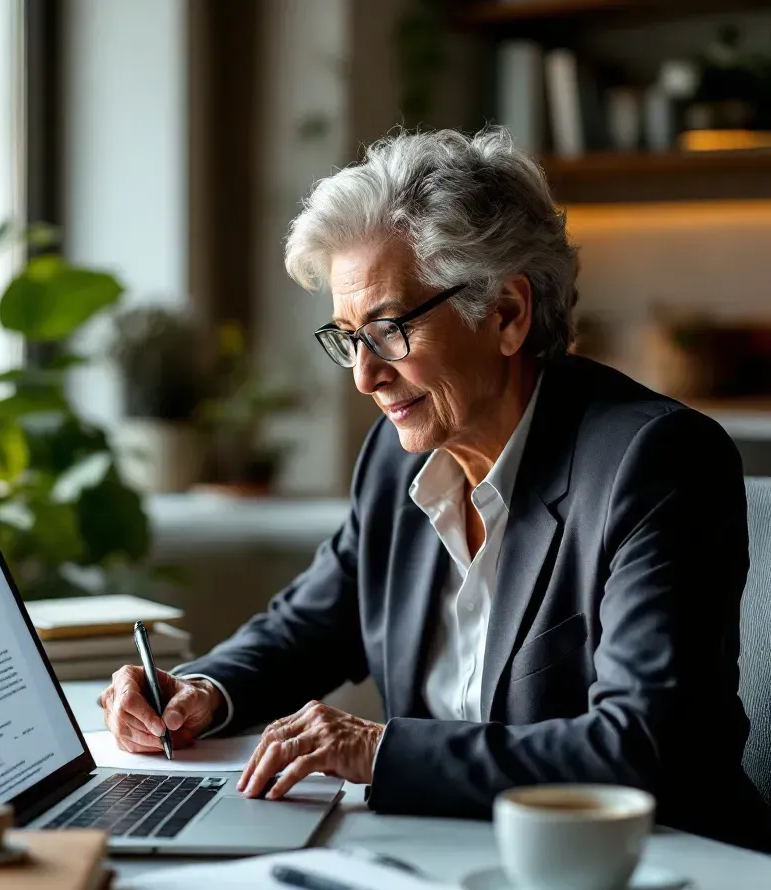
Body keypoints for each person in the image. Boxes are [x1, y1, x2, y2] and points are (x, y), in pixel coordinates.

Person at [100, 126, 769, 850]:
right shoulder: (399, 458)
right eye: (349, 337)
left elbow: (640, 747)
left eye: (389, 330)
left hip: (656, 885)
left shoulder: (655, 461)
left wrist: (378, 750)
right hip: (444, 860)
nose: (365, 375)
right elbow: (311, 625)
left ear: (507, 315)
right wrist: (201, 691)